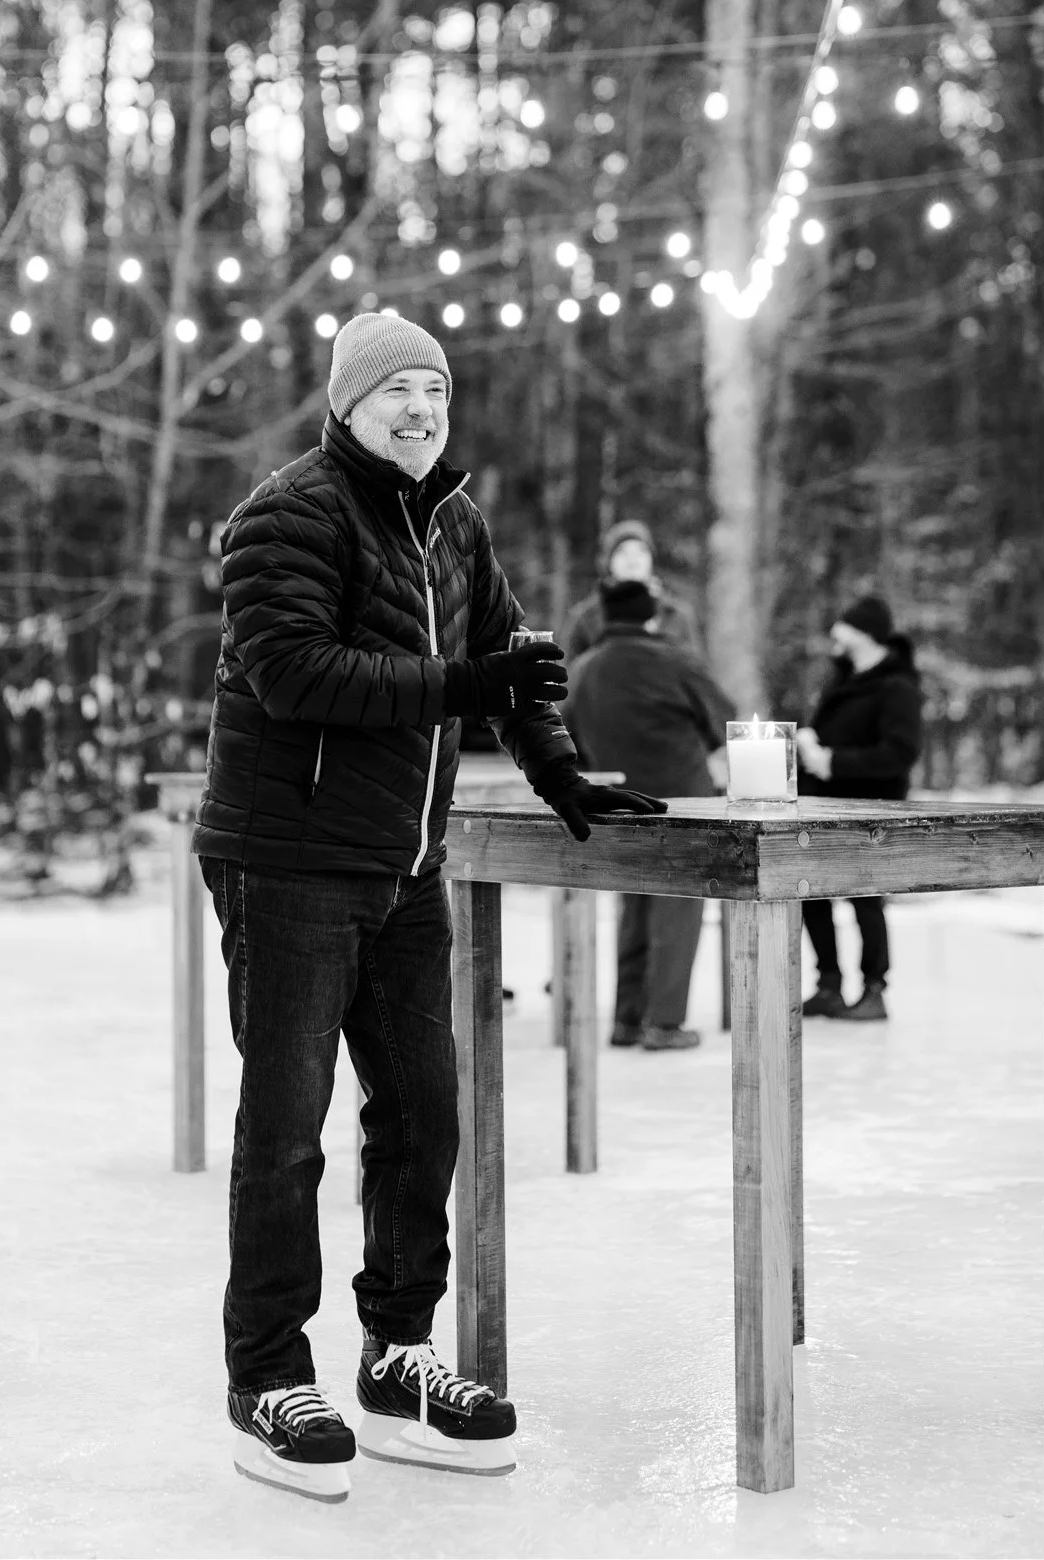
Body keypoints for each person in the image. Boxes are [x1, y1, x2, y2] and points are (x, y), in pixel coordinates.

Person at [191, 312, 664, 1502]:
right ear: (348, 405)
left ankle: (397, 1358)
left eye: (435, 390)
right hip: (287, 861)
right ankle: (266, 1376)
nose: (419, 409)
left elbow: (509, 658)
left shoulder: (453, 521)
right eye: (395, 389)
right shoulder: (285, 514)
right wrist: (465, 681)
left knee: (422, 1115)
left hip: (404, 869)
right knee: (286, 1126)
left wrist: (560, 771)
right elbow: (297, 672)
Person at [564, 578, 734, 1050]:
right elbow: (725, 718)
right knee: (678, 908)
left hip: (616, 801)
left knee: (634, 905)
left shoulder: (583, 669)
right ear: (653, 615)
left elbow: (562, 735)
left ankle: (627, 1019)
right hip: (684, 802)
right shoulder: (675, 661)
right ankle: (664, 1022)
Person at [796, 594, 924, 1023]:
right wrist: (811, 747)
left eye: (844, 625)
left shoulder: (897, 686)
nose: (834, 633)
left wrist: (832, 762)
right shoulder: (842, 679)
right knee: (811, 893)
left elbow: (900, 752)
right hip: (821, 806)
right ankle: (828, 984)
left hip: (871, 811)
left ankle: (874, 989)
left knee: (865, 898)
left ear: (866, 633)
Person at [562, 517, 700, 661]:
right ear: (609, 561)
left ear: (651, 559)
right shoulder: (585, 619)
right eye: (623, 552)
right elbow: (571, 670)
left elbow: (693, 669)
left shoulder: (676, 615)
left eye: (641, 551)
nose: (632, 559)